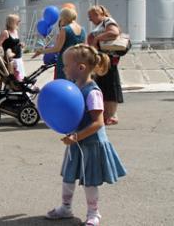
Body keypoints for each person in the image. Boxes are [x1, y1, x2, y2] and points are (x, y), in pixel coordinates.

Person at [45, 44, 126, 226]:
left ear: (80, 68)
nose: (63, 68)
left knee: (90, 181)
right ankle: (65, 208)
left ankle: (93, 213)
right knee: (68, 177)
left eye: (66, 65)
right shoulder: (72, 87)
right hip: (77, 142)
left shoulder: (93, 92)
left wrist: (76, 137)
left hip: (91, 143)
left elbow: (98, 123)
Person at [87, 5, 123, 126]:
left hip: (109, 60)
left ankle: (112, 115)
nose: (90, 20)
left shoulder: (108, 21)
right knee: (104, 87)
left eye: (91, 17)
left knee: (110, 87)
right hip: (103, 60)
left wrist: (97, 38)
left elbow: (114, 32)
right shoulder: (101, 24)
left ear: (98, 14)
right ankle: (107, 115)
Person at [33, 7, 85, 80]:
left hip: (65, 60)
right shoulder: (82, 29)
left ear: (64, 17)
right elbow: (84, 47)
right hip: (78, 60)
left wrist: (41, 51)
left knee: (62, 82)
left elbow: (57, 48)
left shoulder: (65, 29)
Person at [0, 14, 25, 81]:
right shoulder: (5, 32)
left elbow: (14, 43)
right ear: (12, 22)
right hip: (11, 60)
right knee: (14, 80)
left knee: (21, 78)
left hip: (19, 58)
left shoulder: (15, 31)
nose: (19, 23)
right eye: (17, 21)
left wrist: (21, 44)